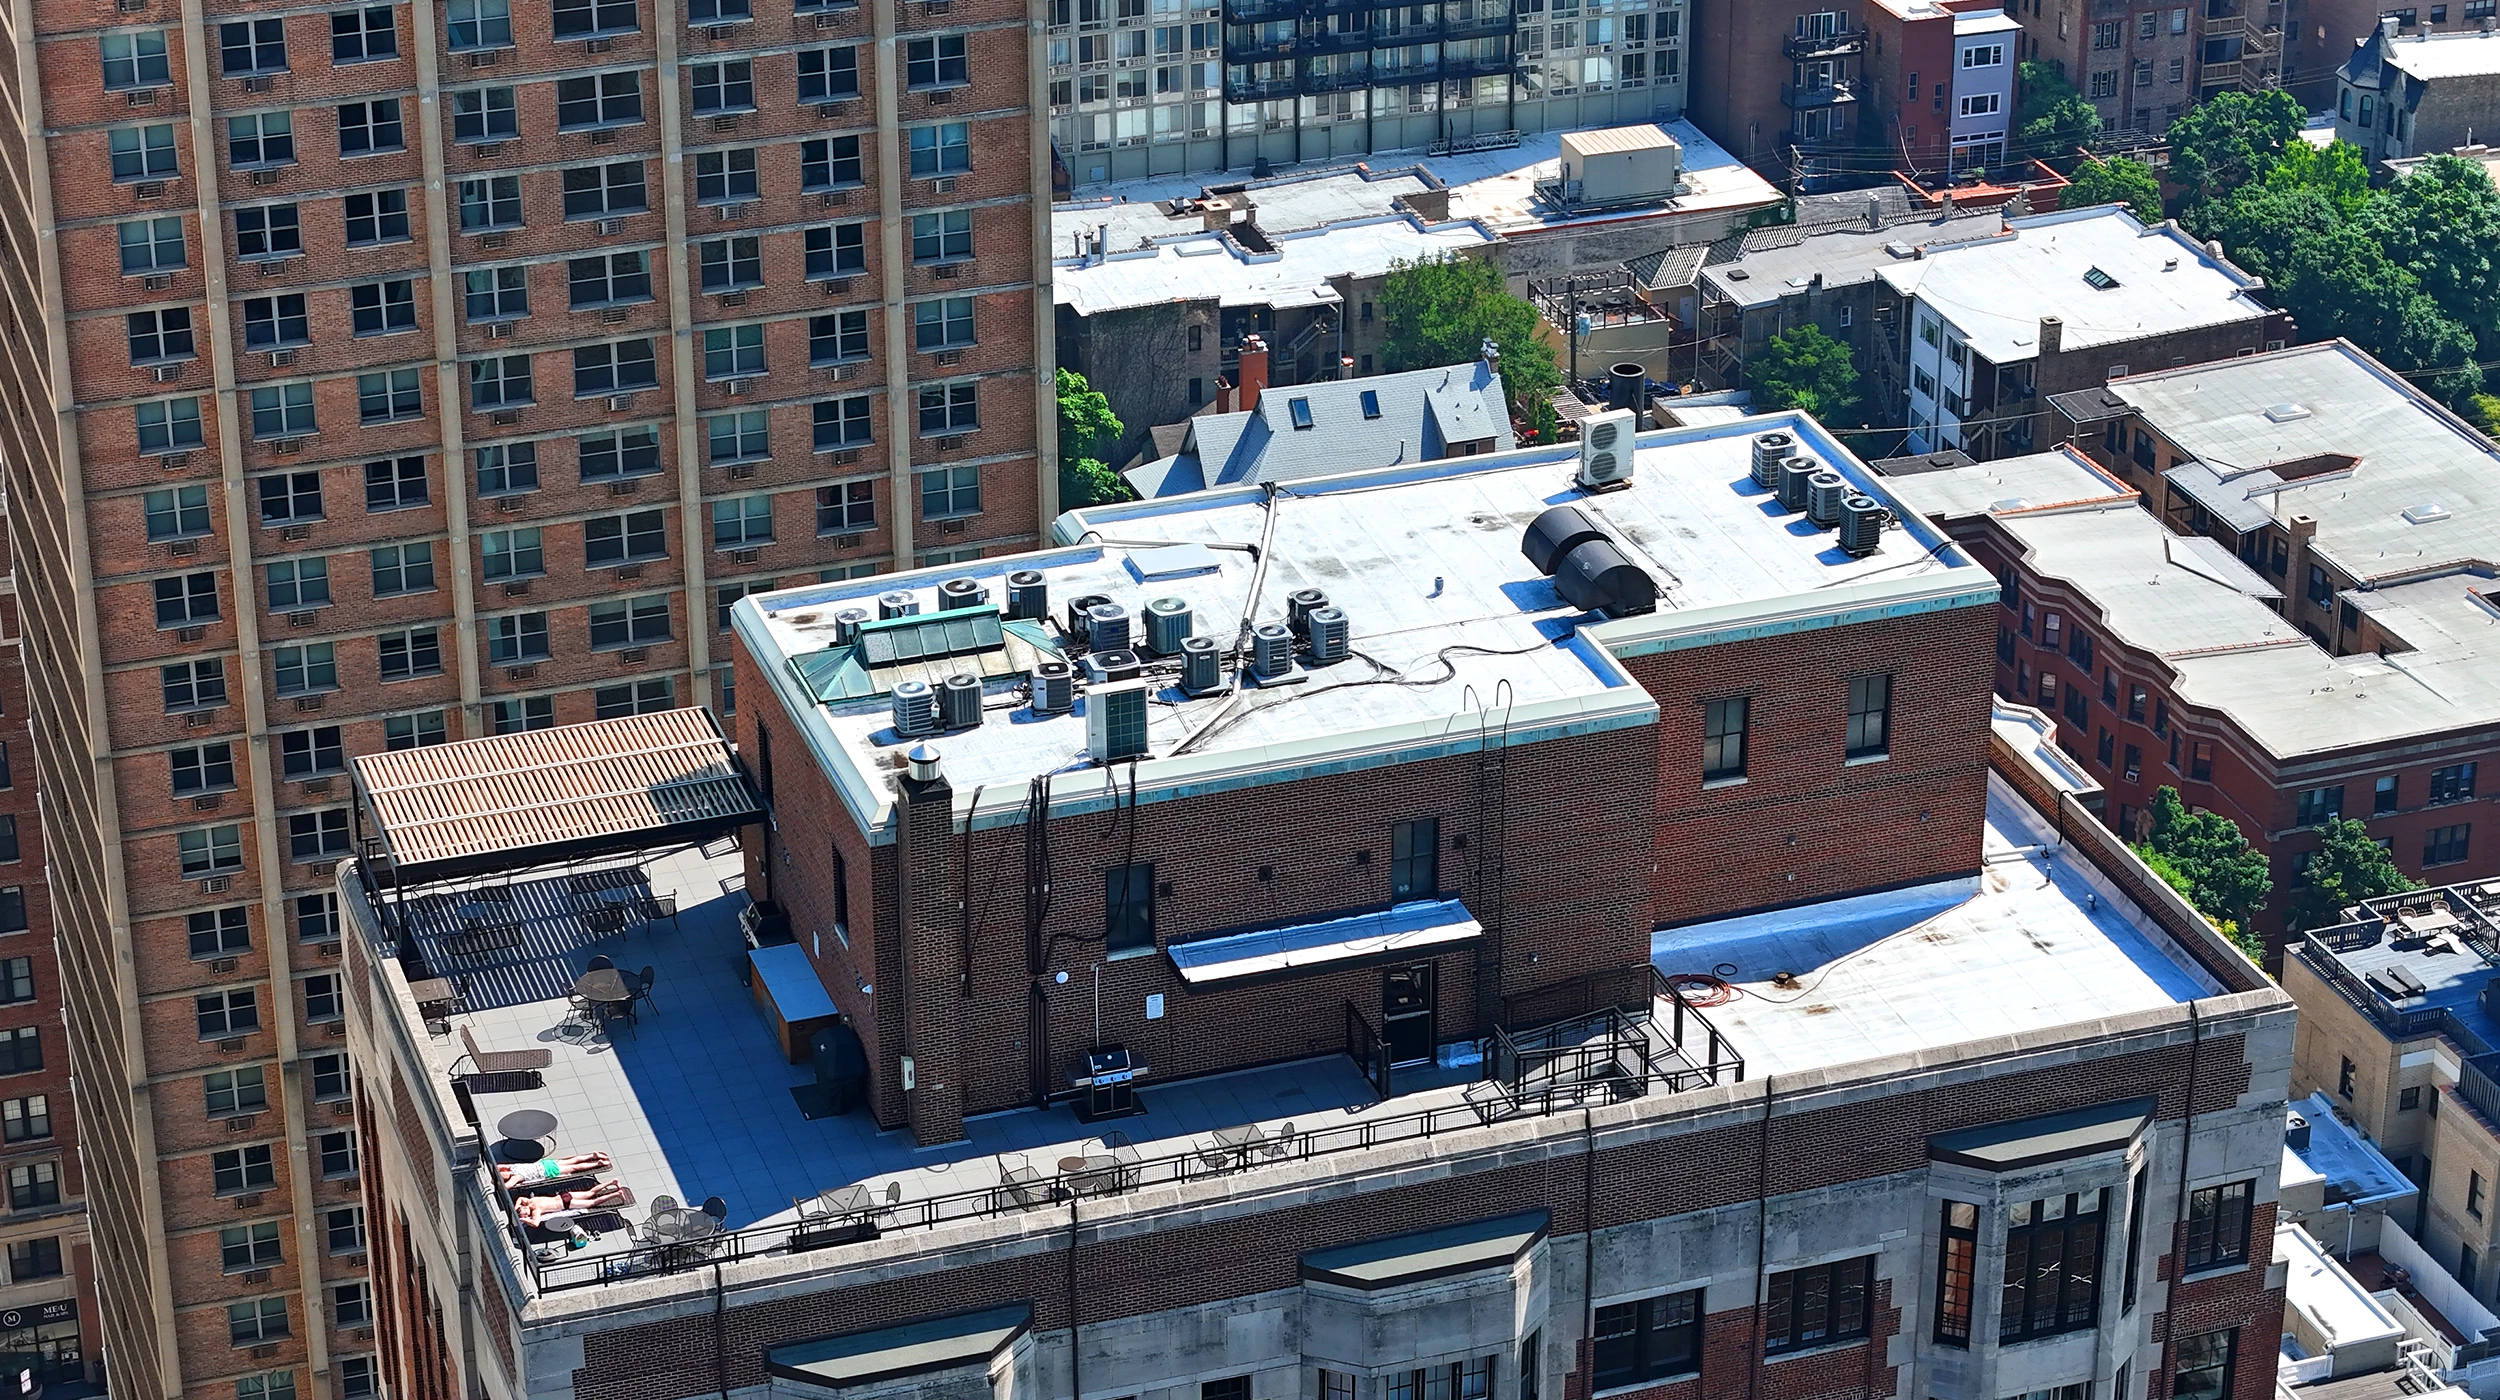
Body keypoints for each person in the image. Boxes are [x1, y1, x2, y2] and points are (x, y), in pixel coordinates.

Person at [514, 1178, 630, 1229]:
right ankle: (612, 1182)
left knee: (592, 1202)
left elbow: (535, 1224)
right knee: (589, 1193)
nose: (526, 1216)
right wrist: (517, 1206)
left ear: (524, 1210)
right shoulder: (530, 1201)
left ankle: (616, 1194)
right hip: (563, 1195)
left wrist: (522, 1220)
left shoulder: (536, 1210)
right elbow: (519, 1198)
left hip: (566, 1203)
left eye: (524, 1214)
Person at [497, 1151, 611, 1187]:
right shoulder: (513, 1167)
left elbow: (507, 1186)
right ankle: (592, 1156)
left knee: (574, 1167)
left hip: (548, 1171)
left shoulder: (516, 1177)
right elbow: (500, 1166)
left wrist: (497, 1184)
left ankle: (597, 1163)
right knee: (573, 1160)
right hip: (545, 1164)